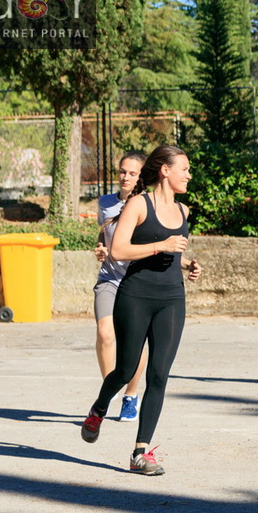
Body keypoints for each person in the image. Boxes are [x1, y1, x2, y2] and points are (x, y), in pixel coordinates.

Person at [81, 144, 202, 475]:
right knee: (125, 369)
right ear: (165, 170)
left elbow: (172, 256)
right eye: (185, 169)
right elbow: (117, 250)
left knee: (159, 375)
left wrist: (188, 264)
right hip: (134, 295)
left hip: (172, 298)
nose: (189, 175)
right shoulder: (138, 204)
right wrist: (160, 245)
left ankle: (140, 452)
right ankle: (100, 407)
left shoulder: (184, 211)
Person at [93, 151, 149, 422]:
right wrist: (102, 249)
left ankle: (131, 395)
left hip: (137, 281)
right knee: (105, 334)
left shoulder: (147, 205)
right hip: (109, 278)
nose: (125, 177)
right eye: (122, 172)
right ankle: (111, 385)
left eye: (132, 173)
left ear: (141, 176)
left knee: (134, 343)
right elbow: (104, 235)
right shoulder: (105, 203)